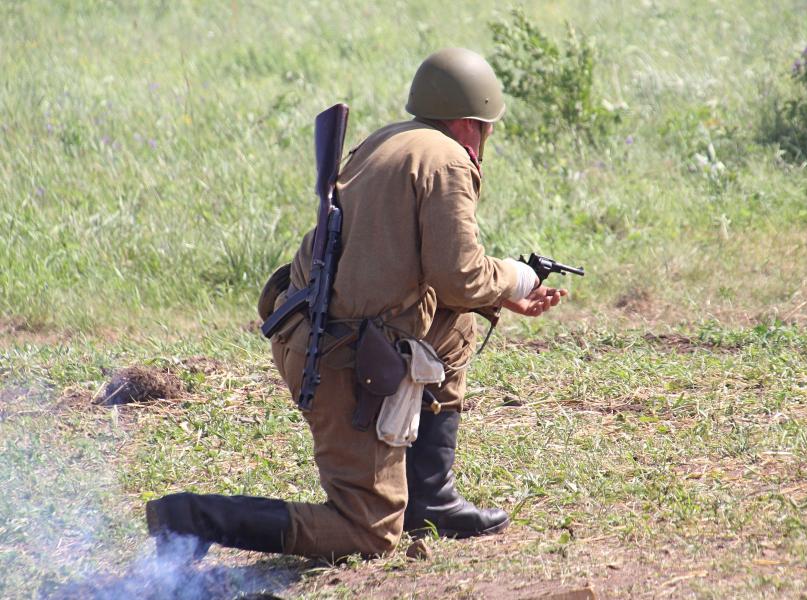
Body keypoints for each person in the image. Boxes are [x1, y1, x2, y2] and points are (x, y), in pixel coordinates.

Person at [145, 47, 566, 560]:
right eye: (486, 127)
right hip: (344, 360)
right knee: (367, 532)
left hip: (313, 327)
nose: (486, 139)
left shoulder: (391, 139)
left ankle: (429, 500)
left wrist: (499, 292)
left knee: (454, 327)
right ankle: (191, 518)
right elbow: (458, 275)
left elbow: (441, 279)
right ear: (468, 124)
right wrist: (517, 277)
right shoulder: (449, 159)